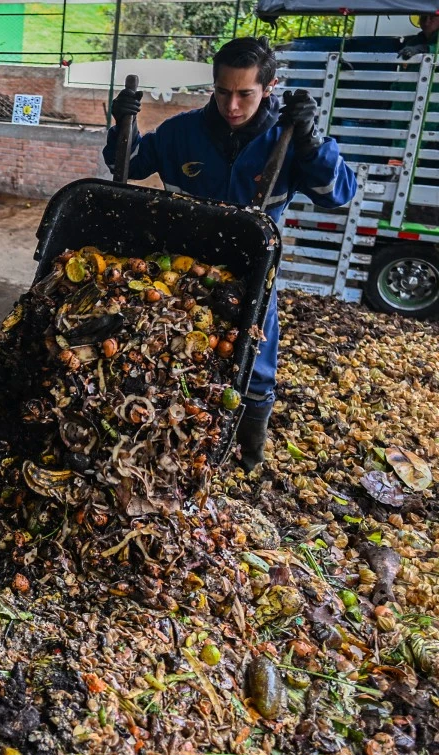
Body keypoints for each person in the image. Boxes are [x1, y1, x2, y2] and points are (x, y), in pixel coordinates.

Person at [103, 36, 357, 471]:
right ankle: (167, 443)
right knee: (165, 355)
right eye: (222, 92)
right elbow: (128, 165)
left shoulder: (288, 139)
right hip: (180, 270)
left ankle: (247, 457)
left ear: (270, 87)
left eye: (245, 94)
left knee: (254, 360)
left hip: (252, 271)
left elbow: (337, 194)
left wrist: (312, 143)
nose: (232, 106)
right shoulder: (181, 133)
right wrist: (122, 126)